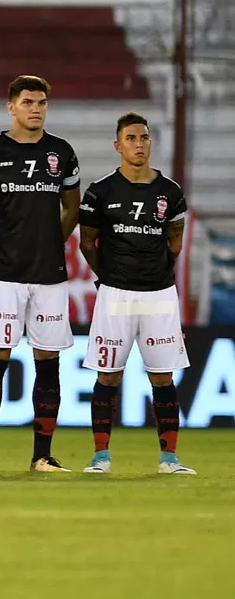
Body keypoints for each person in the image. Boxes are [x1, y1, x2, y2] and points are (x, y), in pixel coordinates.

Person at [0, 75, 80, 472]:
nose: (36, 108)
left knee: (48, 362)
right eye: (28, 102)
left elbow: (72, 208)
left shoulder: (61, 152)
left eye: (42, 102)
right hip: (4, 274)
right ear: (11, 106)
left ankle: (42, 455)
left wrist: (52, 242)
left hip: (49, 273)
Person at [79, 113, 195, 475]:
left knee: (162, 377)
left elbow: (175, 242)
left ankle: (170, 459)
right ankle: (100, 457)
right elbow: (87, 244)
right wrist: (111, 275)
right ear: (118, 145)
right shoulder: (100, 191)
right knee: (107, 375)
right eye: (131, 138)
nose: (139, 144)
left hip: (159, 295)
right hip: (115, 294)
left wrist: (152, 269)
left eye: (144, 138)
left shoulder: (170, 192)